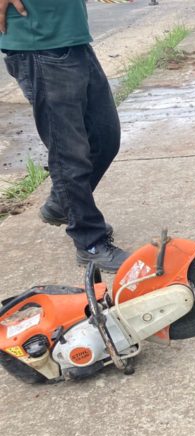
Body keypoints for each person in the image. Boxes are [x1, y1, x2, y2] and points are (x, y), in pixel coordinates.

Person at [1, 0, 128, 272]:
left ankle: (62, 203)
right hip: (40, 44)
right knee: (69, 154)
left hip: (73, 36)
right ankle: (90, 242)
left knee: (105, 138)